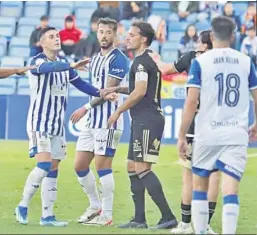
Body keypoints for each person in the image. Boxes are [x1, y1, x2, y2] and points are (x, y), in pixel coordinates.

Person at [15, 27, 114, 227]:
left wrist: (103, 93)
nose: (57, 39)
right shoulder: (37, 61)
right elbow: (49, 69)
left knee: (53, 168)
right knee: (43, 165)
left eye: (57, 36)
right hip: (39, 123)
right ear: (43, 43)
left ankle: (47, 216)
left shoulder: (65, 67)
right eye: (51, 37)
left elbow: (83, 85)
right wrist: (72, 65)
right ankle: (23, 205)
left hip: (57, 125)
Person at [178, 16, 257, 234]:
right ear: (233, 36)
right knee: (230, 188)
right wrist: (256, 122)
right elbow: (256, 96)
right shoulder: (245, 61)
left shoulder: (200, 62)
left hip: (207, 132)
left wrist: (182, 134)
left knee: (200, 186)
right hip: (235, 132)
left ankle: (201, 231)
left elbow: (191, 101)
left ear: (211, 37)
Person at [104, 21, 178, 230]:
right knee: (131, 166)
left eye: (131, 35)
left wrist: (118, 110)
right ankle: (139, 219)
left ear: (143, 38)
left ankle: (167, 217)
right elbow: (137, 87)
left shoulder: (142, 62)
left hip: (148, 119)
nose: (127, 38)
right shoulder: (142, 61)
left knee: (143, 168)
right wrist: (118, 88)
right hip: (142, 119)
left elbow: (140, 91)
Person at [150, 30, 219, 234]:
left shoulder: (192, 58)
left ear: (205, 45)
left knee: (188, 175)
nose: (197, 43)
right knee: (214, 177)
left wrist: (156, 58)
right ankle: (205, 224)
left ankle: (186, 224)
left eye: (199, 40)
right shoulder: (223, 61)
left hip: (194, 125)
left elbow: (165, 70)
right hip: (217, 124)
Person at [70, 18, 129, 226]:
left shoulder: (119, 59)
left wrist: (84, 108)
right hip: (92, 122)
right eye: (100, 32)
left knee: (102, 166)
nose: (103, 36)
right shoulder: (94, 59)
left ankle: (107, 214)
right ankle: (95, 206)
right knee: (79, 165)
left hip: (109, 120)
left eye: (108, 32)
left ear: (115, 34)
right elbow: (95, 84)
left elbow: (107, 91)